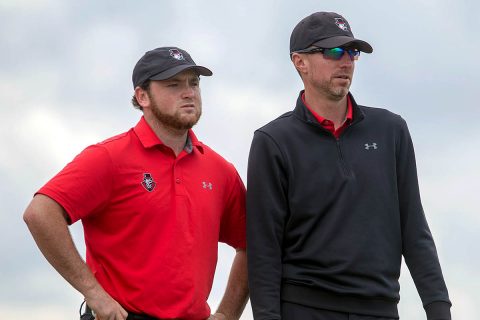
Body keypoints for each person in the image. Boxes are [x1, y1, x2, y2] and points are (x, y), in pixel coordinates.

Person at [246, 12, 451, 320]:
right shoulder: (272, 141)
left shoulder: (390, 130)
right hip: (304, 309)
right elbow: (264, 250)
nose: (346, 62)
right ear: (299, 61)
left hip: (380, 309)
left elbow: (414, 228)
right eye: (333, 52)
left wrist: (438, 308)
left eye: (352, 52)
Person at [23, 46, 249, 320]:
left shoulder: (220, 171)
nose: (189, 92)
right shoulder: (109, 157)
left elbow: (253, 243)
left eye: (194, 83)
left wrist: (228, 312)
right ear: (142, 96)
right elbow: (40, 212)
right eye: (173, 85)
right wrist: (94, 294)